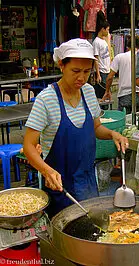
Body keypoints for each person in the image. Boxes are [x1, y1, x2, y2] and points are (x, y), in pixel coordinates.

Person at [23, 38, 128, 218]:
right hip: (59, 186)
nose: (81, 77)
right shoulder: (46, 99)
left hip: (87, 180)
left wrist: (112, 134)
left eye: (87, 71)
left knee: (92, 229)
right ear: (61, 65)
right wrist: (46, 170)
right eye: (76, 71)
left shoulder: (88, 91)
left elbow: (96, 128)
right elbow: (28, 146)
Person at [102, 35, 139, 114]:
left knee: (123, 122)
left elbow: (110, 77)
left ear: (128, 47)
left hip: (124, 95)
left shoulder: (119, 57)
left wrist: (107, 91)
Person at [93, 19, 111, 99]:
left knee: (107, 93)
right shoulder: (96, 42)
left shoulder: (104, 40)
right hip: (102, 71)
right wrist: (98, 75)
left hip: (107, 70)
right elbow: (96, 59)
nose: (108, 32)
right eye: (107, 30)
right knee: (102, 95)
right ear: (102, 29)